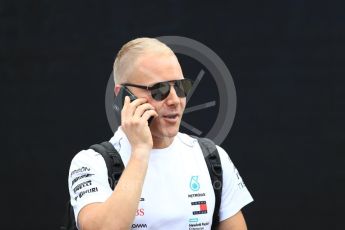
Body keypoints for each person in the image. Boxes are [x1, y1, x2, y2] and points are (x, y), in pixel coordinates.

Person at [68, 37, 253, 230]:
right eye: (159, 89)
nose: (175, 100)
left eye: (181, 87)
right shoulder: (91, 163)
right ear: (123, 95)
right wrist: (140, 151)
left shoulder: (212, 158)